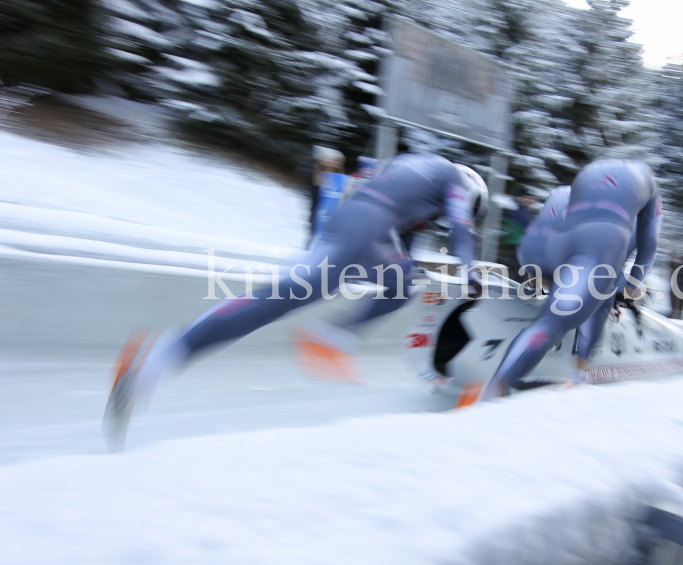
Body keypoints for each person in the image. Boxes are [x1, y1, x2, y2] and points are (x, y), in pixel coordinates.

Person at [105, 154, 490, 445]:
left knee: (386, 286)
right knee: (292, 298)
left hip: (353, 223)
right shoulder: (455, 179)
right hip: (367, 227)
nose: (442, 216)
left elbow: (382, 202)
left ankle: (154, 363)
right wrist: (471, 271)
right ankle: (329, 339)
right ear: (472, 190)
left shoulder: (417, 165)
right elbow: (460, 228)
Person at [480, 160, 662, 400]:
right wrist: (632, 287)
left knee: (582, 299)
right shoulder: (650, 186)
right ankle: (499, 391)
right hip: (598, 244)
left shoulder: (591, 169)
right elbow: (648, 249)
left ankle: (541, 343)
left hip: (556, 243)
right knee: (567, 316)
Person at [515, 185, 646, 388]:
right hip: (572, 262)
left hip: (528, 255)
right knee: (603, 292)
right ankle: (578, 375)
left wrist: (535, 288)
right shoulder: (627, 216)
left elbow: (540, 234)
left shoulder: (565, 193)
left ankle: (536, 299)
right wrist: (624, 295)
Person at [306, 147, 345, 242]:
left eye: (339, 161)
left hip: (332, 214)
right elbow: (316, 195)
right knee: (314, 238)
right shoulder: (315, 175)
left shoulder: (340, 178)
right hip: (318, 213)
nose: (338, 163)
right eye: (335, 160)